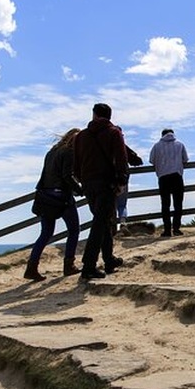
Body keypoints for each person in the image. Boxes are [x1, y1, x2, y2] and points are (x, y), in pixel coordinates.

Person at [73, 103, 129, 280]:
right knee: (100, 222)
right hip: (106, 183)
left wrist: (82, 180)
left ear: (94, 115)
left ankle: (109, 259)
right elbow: (121, 158)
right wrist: (121, 180)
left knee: (103, 220)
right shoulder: (114, 133)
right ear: (109, 116)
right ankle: (88, 265)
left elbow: (75, 163)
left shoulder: (81, 136)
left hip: (88, 184)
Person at [24, 128, 83, 281]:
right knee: (74, 230)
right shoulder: (69, 152)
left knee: (45, 233)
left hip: (45, 195)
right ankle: (68, 265)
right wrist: (80, 189)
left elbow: (46, 174)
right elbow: (66, 176)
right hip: (61, 197)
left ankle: (31, 267)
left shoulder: (52, 152)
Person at [149, 128, 189, 237]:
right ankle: (176, 229)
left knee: (165, 204)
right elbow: (185, 159)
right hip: (177, 176)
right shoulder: (180, 144)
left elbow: (151, 160)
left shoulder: (156, 146)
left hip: (163, 177)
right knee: (178, 204)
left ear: (162, 135)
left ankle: (167, 230)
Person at [115, 137, 144, 232]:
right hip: (122, 179)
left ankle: (112, 227)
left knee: (110, 205)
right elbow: (136, 160)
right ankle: (123, 222)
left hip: (107, 180)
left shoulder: (102, 145)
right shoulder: (122, 146)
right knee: (122, 204)